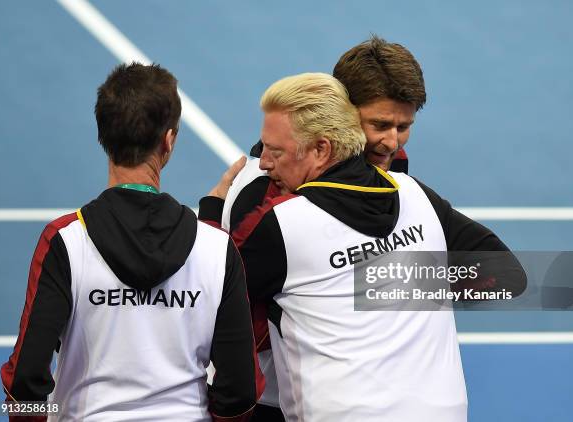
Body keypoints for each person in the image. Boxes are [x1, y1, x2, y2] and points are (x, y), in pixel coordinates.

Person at [201, 72, 526, 421]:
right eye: (380, 124)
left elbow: (205, 300)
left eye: (403, 127)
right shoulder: (409, 191)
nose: (391, 142)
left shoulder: (289, 221)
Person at [1, 63, 262, 421]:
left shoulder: (65, 241)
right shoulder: (216, 248)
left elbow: (25, 380)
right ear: (168, 140)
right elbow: (240, 390)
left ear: (102, 136)